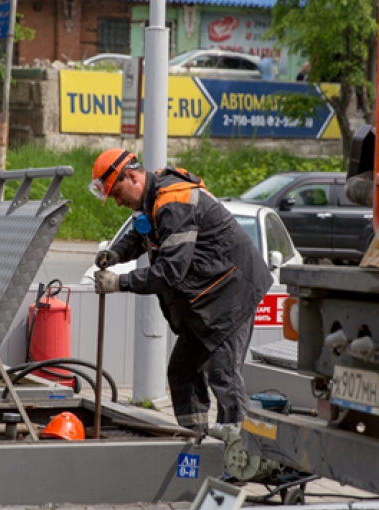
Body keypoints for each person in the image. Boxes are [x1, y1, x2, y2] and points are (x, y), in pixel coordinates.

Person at [88, 148, 273, 434]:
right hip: (209, 297)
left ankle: (237, 454)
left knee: (223, 375)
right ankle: (196, 441)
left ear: (132, 176)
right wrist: (114, 254)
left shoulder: (173, 202)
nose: (117, 202)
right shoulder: (154, 198)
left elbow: (171, 272)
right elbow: (141, 233)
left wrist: (119, 282)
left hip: (232, 292)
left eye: (116, 193)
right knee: (182, 372)